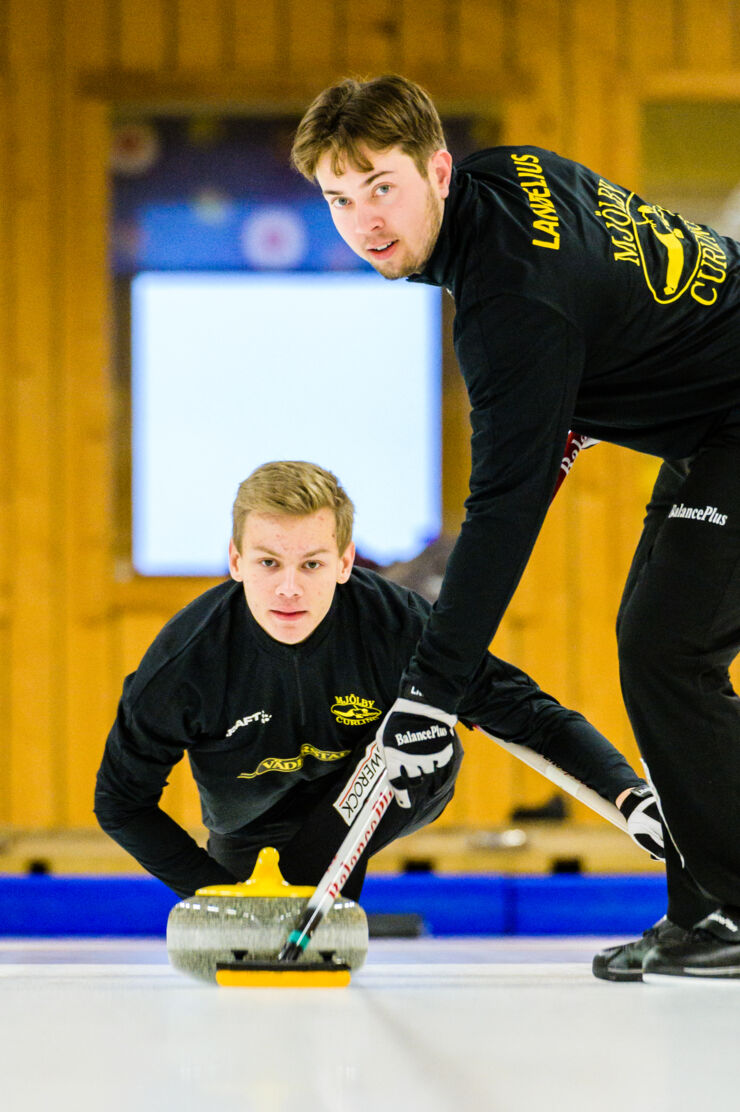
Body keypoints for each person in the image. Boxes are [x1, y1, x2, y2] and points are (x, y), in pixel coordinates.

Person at [290, 75, 740, 982]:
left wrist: (428, 695)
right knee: (657, 646)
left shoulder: (507, 306)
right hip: (711, 420)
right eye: (340, 197)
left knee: (668, 648)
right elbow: (605, 305)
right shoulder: (510, 181)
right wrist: (564, 407)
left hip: (726, 417)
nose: (365, 219)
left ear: (437, 170)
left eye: (383, 186)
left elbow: (504, 509)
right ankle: (707, 914)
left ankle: (726, 909)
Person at [95, 460, 659, 905]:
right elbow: (120, 802)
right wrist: (216, 895)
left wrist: (628, 796)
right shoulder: (185, 663)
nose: (288, 588)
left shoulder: (396, 624)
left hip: (389, 774)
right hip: (249, 824)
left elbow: (526, 713)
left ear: (345, 563)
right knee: (272, 925)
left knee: (421, 732)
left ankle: (314, 890)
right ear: (235, 561)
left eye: (311, 564)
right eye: (269, 563)